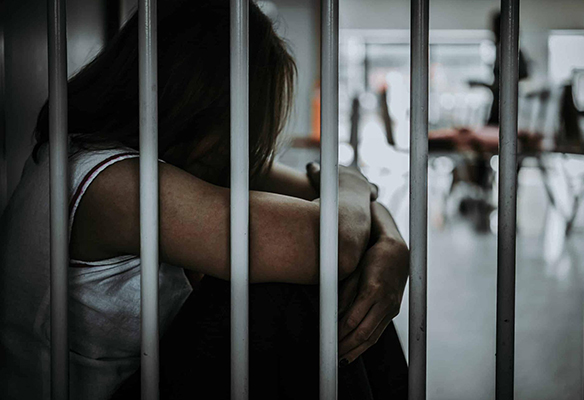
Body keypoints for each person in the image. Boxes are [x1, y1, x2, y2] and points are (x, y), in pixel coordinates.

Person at [0, 1, 409, 399]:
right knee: (290, 286)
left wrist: (390, 243)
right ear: (199, 100)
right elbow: (330, 242)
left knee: (320, 277)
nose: (244, 140)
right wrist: (351, 183)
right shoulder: (110, 182)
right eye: (242, 117)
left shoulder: (169, 152)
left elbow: (337, 209)